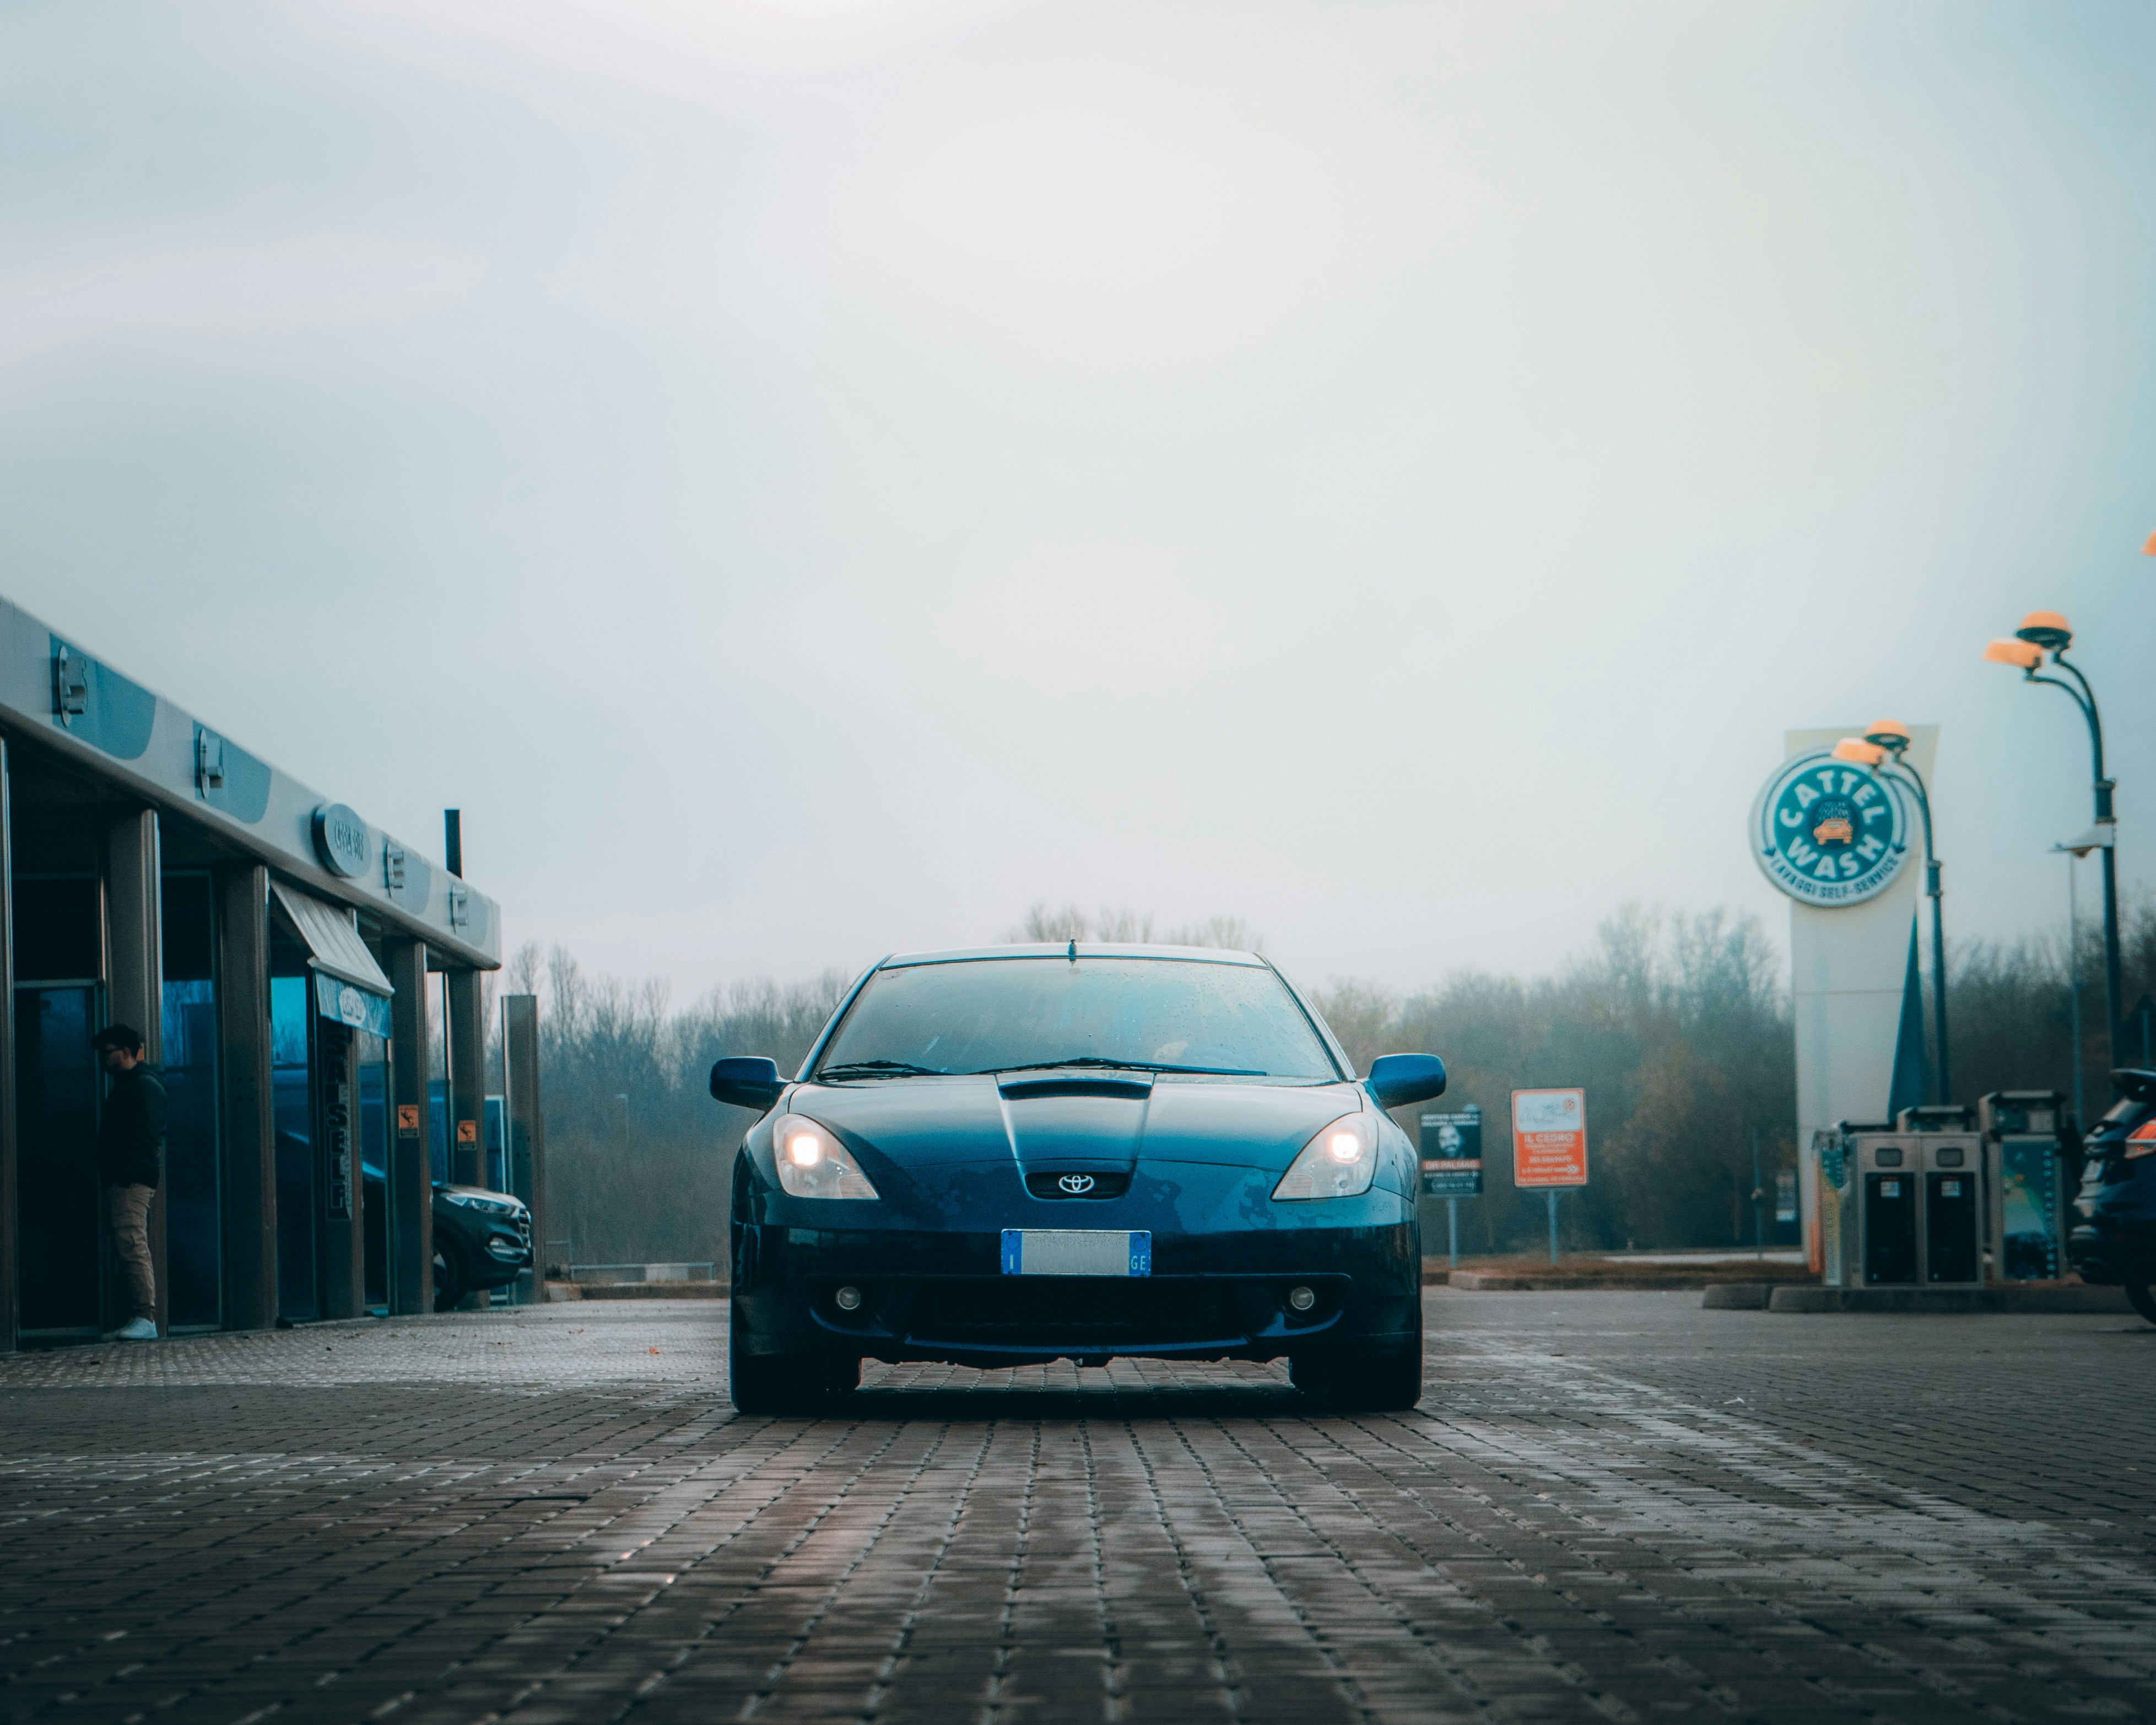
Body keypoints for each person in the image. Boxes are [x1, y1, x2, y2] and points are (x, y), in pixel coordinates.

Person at [91, 1023, 165, 1342]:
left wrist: (121, 1174)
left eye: (107, 1053)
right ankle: (139, 1317)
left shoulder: (141, 1086)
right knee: (129, 1244)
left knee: (133, 1244)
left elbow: (143, 1137)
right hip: (126, 1177)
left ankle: (145, 1317)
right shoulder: (133, 1084)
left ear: (125, 1051)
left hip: (130, 1179)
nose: (102, 1060)